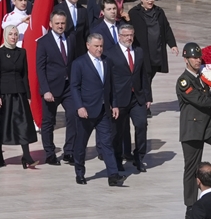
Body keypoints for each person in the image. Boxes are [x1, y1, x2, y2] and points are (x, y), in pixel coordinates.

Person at [175, 43, 211, 203]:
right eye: (194, 57)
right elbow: (200, 100)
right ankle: (191, 205)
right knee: (191, 168)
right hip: (192, 128)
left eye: (199, 57)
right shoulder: (184, 81)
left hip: (207, 123)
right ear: (186, 60)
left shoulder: (203, 78)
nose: (197, 60)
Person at [68, 35, 121, 187]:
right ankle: (79, 172)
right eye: (96, 46)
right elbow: (74, 87)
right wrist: (79, 106)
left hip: (103, 110)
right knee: (81, 144)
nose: (99, 49)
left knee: (106, 143)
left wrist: (114, 104)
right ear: (88, 45)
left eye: (101, 46)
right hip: (86, 111)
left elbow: (111, 86)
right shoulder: (79, 63)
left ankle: (113, 174)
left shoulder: (106, 61)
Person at [0, 25, 36, 170]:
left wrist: (28, 95)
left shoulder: (22, 52)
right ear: (6, 35)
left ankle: (26, 155)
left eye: (16, 34)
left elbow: (25, 75)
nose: (13, 37)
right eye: (11, 34)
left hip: (19, 93)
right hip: (3, 94)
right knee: (1, 124)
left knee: (23, 124)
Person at [106, 23, 152, 173]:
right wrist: (111, 102)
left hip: (137, 97)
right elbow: (108, 79)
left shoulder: (138, 51)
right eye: (126, 35)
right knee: (117, 131)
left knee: (141, 125)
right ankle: (117, 159)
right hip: (119, 99)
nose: (129, 38)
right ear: (119, 36)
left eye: (131, 35)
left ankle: (139, 157)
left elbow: (143, 75)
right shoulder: (110, 53)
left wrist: (148, 96)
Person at [36, 11, 76, 167]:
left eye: (63, 23)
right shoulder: (43, 42)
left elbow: (74, 62)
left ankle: (69, 151)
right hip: (51, 89)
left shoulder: (71, 38)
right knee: (48, 122)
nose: (60, 26)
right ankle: (50, 153)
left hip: (69, 87)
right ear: (51, 24)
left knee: (73, 116)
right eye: (57, 23)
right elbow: (40, 68)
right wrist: (45, 90)